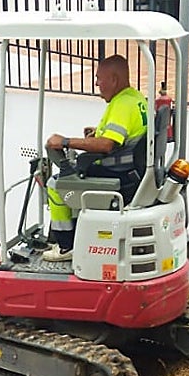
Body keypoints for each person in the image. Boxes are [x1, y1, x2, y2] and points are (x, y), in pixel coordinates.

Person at [41, 54, 149, 261]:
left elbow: (107, 145)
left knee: (56, 185)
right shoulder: (134, 98)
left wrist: (65, 141)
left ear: (114, 80)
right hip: (130, 170)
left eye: (100, 78)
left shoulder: (121, 105)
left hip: (117, 174)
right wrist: (96, 134)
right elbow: (117, 136)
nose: (97, 83)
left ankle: (65, 247)